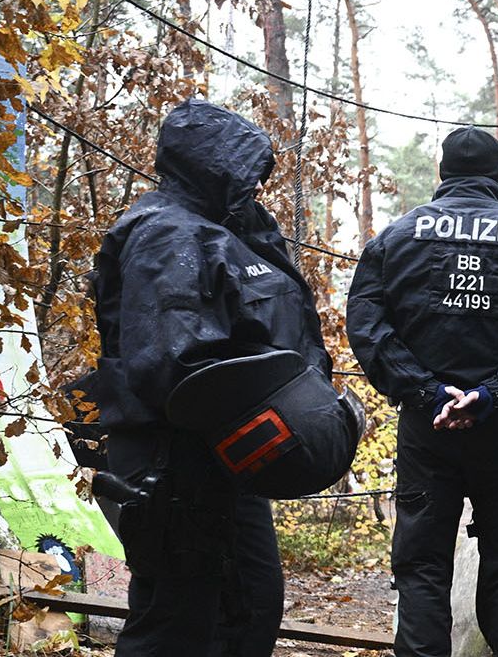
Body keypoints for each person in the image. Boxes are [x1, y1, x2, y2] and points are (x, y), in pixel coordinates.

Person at [89, 98, 331, 655]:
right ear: (212, 165)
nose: (255, 186)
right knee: (176, 623)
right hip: (177, 458)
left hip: (226, 457)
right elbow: (174, 361)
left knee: (248, 608)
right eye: (244, 173)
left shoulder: (220, 231)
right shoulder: (166, 233)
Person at [347, 127, 498, 657]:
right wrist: (493, 394)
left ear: (441, 175)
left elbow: (367, 326)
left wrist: (427, 393)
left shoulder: (397, 238)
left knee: (421, 568)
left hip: (427, 431)